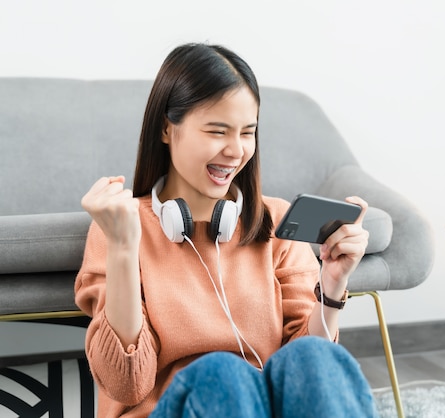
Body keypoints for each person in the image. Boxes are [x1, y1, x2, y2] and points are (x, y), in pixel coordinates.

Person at [75, 42, 380, 417]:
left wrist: (331, 286)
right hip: (173, 406)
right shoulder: (119, 228)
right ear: (167, 130)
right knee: (222, 372)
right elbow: (126, 384)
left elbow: (301, 377)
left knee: (314, 356)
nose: (236, 151)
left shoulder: (276, 222)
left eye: (247, 133)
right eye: (218, 131)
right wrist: (123, 247)